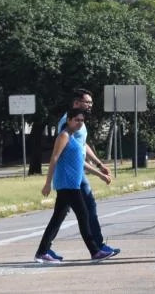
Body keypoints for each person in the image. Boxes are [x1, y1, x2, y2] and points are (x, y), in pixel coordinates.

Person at [35, 108, 116, 263]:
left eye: (82, 120)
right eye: (76, 120)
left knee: (57, 218)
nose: (79, 123)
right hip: (67, 184)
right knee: (83, 215)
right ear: (69, 120)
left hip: (72, 184)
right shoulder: (64, 136)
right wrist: (47, 183)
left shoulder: (75, 138)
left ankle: (42, 251)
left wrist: (101, 175)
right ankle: (95, 251)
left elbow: (82, 162)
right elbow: (54, 159)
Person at [54, 89, 119, 259]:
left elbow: (83, 146)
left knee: (65, 212)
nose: (90, 105)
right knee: (86, 209)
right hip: (72, 173)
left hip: (76, 173)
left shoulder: (79, 121)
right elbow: (73, 154)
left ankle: (46, 248)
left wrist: (99, 163)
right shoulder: (68, 123)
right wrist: (99, 174)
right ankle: (97, 247)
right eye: (87, 102)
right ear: (76, 103)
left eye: (91, 102)